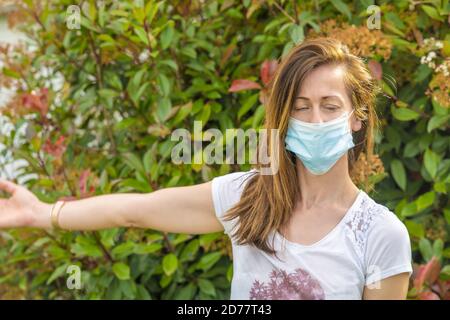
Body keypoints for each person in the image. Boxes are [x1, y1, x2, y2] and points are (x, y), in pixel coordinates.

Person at [0, 38, 412, 300]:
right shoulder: (248, 197)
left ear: (357, 117)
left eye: (331, 106)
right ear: (284, 120)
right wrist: (42, 214)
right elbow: (135, 210)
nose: (316, 121)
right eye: (301, 108)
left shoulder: (380, 235)